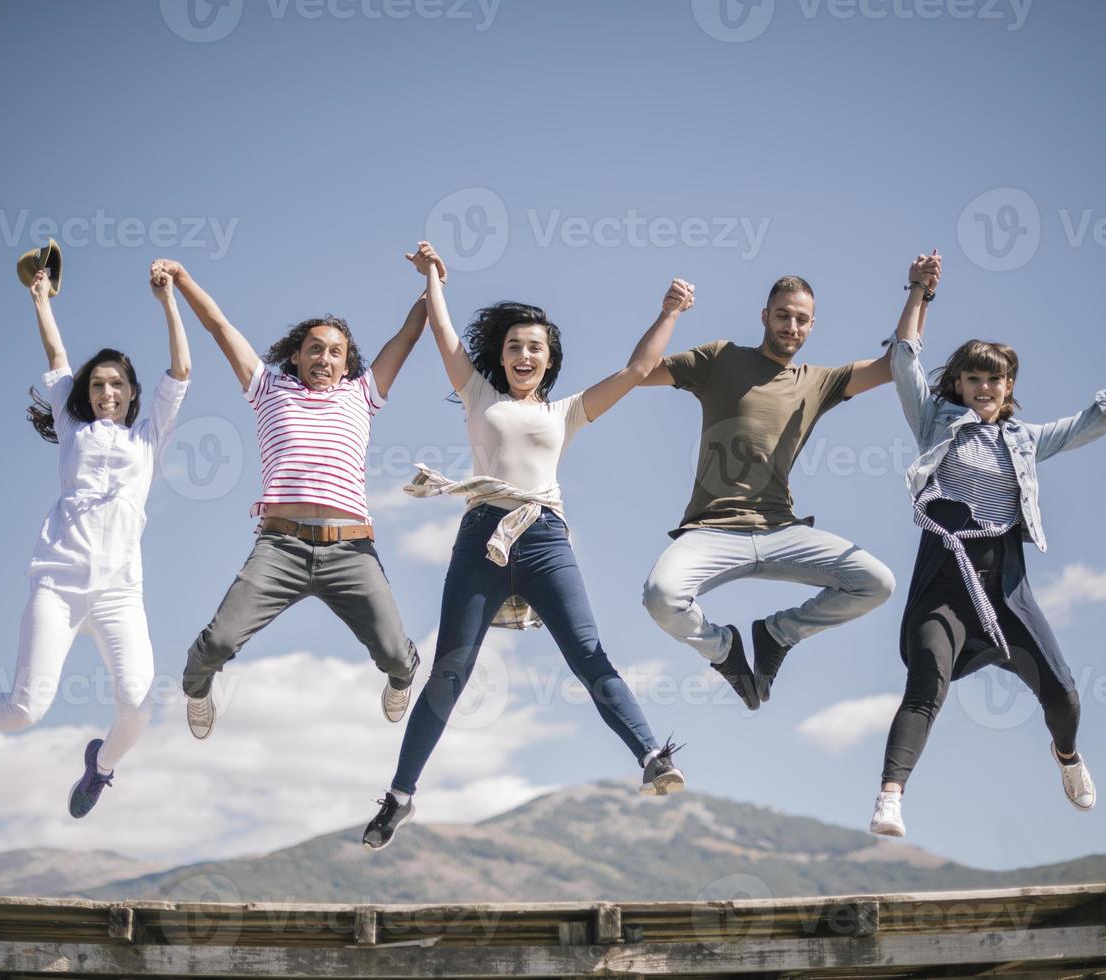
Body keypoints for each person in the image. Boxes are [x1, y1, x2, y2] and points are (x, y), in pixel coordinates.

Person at [361, 242, 693, 850]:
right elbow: (440, 328)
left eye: (534, 347)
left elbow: (638, 371)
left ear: (548, 359)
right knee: (451, 670)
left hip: (543, 538)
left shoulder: (566, 411)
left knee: (588, 653)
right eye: (514, 345)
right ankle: (400, 796)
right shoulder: (477, 395)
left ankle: (652, 756)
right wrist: (435, 277)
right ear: (501, 355)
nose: (523, 354)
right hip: (481, 536)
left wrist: (669, 311)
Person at [868, 250, 1106, 837]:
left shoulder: (1027, 440)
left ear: (1009, 387)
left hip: (1005, 588)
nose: (984, 386)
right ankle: (890, 797)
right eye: (974, 377)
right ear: (959, 383)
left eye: (996, 378)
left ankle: (1066, 756)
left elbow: (1094, 419)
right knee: (925, 681)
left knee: (1062, 693)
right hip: (943, 584)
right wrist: (917, 292)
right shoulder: (935, 421)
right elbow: (905, 359)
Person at [0, 262, 191, 819]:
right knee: (26, 707)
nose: (106, 390)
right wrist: (40, 299)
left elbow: (181, 368)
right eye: (98, 384)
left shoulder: (149, 435)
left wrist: (169, 299)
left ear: (133, 393)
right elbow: (58, 358)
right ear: (85, 396)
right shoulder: (73, 425)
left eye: (117, 384)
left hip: (118, 594)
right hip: (58, 585)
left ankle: (101, 766)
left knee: (139, 704)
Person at [151, 257, 429, 737]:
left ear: (347, 361)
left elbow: (407, 334)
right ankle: (196, 690)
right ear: (296, 357)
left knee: (393, 654)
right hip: (280, 548)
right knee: (217, 641)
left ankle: (401, 678)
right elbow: (219, 327)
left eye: (335, 352)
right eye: (315, 349)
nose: (324, 358)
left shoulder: (362, 394)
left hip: (351, 551)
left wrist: (433, 282)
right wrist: (182, 280)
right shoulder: (267, 388)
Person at [639, 273, 898, 710]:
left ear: (812, 326)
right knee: (661, 596)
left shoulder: (817, 382)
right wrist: (669, 314)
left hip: (781, 529)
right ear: (765, 316)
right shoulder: (720, 358)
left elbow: (895, 365)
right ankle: (724, 650)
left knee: (876, 583)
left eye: (801, 319)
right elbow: (640, 373)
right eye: (782, 316)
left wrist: (919, 294)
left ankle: (778, 634)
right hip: (712, 530)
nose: (791, 327)